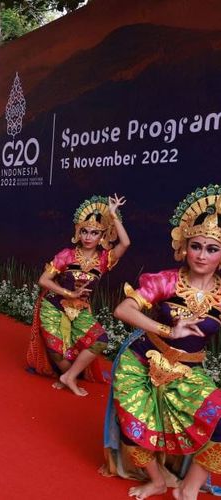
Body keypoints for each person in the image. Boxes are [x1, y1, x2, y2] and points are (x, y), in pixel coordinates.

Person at [102, 184, 221, 500]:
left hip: (188, 374)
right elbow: (123, 309)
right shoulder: (167, 280)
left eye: (212, 249)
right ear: (185, 247)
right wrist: (169, 331)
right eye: (196, 246)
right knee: (132, 428)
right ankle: (155, 480)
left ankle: (188, 488)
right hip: (141, 362)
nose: (202, 255)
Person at [26, 194, 130, 396]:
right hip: (53, 305)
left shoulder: (103, 260)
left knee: (100, 340)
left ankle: (68, 377)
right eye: (85, 231)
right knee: (56, 352)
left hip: (79, 310)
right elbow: (43, 280)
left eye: (94, 233)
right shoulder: (67, 255)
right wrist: (70, 292)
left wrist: (113, 215)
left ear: (102, 236)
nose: (89, 237)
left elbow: (125, 243)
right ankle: (67, 376)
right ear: (78, 233)